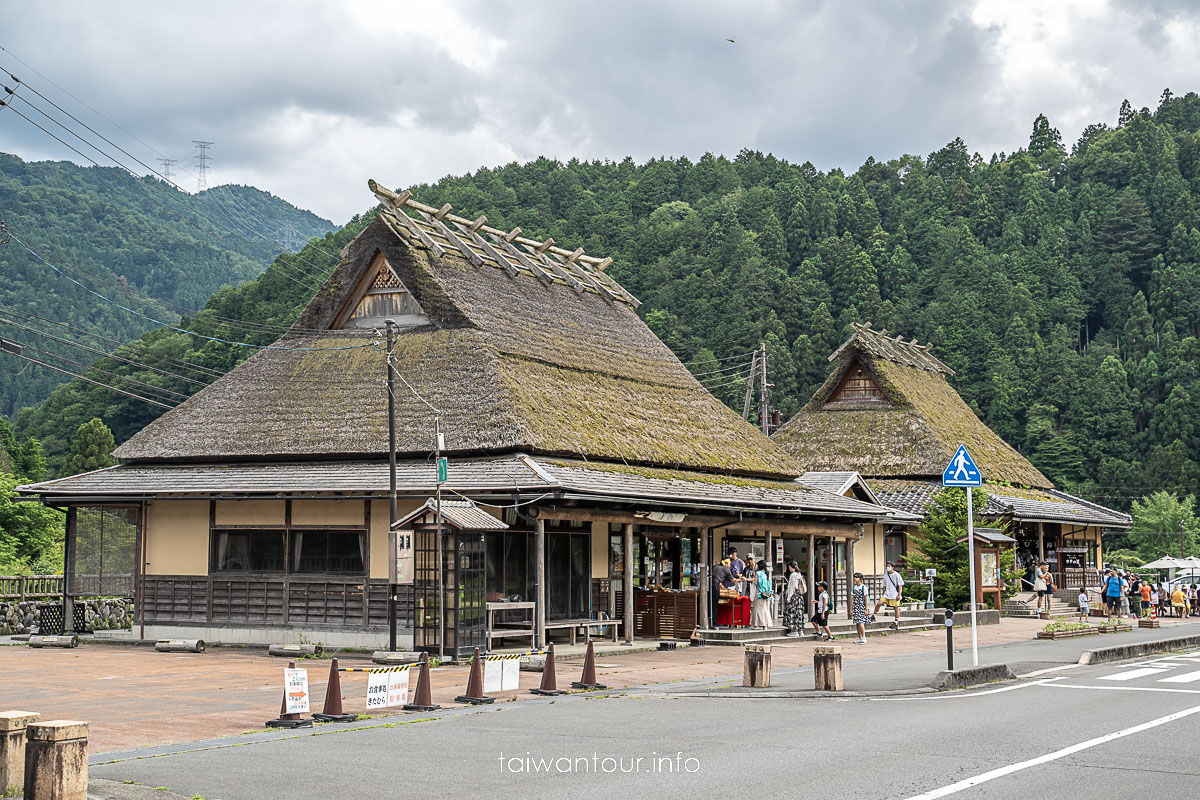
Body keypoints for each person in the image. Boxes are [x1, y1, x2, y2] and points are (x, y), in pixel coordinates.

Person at [871, 561, 905, 629]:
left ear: (892, 567)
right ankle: (874, 616)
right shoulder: (886, 575)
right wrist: (884, 593)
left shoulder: (896, 575)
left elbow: (900, 585)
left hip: (894, 594)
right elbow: (884, 585)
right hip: (887, 594)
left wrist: (899, 594)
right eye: (887, 566)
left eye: (889, 566)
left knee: (896, 608)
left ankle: (896, 622)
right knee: (879, 603)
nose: (888, 567)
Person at [782, 560, 807, 637]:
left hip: (794, 597)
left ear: (790, 567)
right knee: (799, 613)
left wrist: (788, 598)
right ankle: (800, 631)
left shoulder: (793, 575)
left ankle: (794, 631)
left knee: (792, 613)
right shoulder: (799, 574)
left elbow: (791, 588)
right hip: (799, 597)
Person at [710, 558, 734, 627]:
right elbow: (732, 580)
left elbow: (714, 576)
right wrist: (741, 579)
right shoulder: (726, 569)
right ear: (726, 563)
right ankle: (714, 623)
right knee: (714, 604)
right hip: (715, 586)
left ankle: (707, 621)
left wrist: (720, 584)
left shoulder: (715, 567)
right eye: (729, 564)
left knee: (710, 603)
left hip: (708, 585)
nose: (729, 566)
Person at [751, 561, 774, 628]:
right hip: (767, 593)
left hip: (759, 593)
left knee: (757, 609)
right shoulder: (767, 573)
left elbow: (755, 583)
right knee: (765, 609)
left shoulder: (758, 573)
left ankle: (756, 624)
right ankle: (765, 624)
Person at [851, 572, 871, 644]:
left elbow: (866, 598)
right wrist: (851, 608)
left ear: (860, 579)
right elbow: (852, 598)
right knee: (857, 622)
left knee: (860, 622)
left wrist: (866, 609)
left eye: (856, 577)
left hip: (862, 606)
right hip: (856, 606)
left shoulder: (864, 587)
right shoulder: (854, 588)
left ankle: (864, 637)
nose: (855, 578)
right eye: (854, 577)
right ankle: (860, 638)